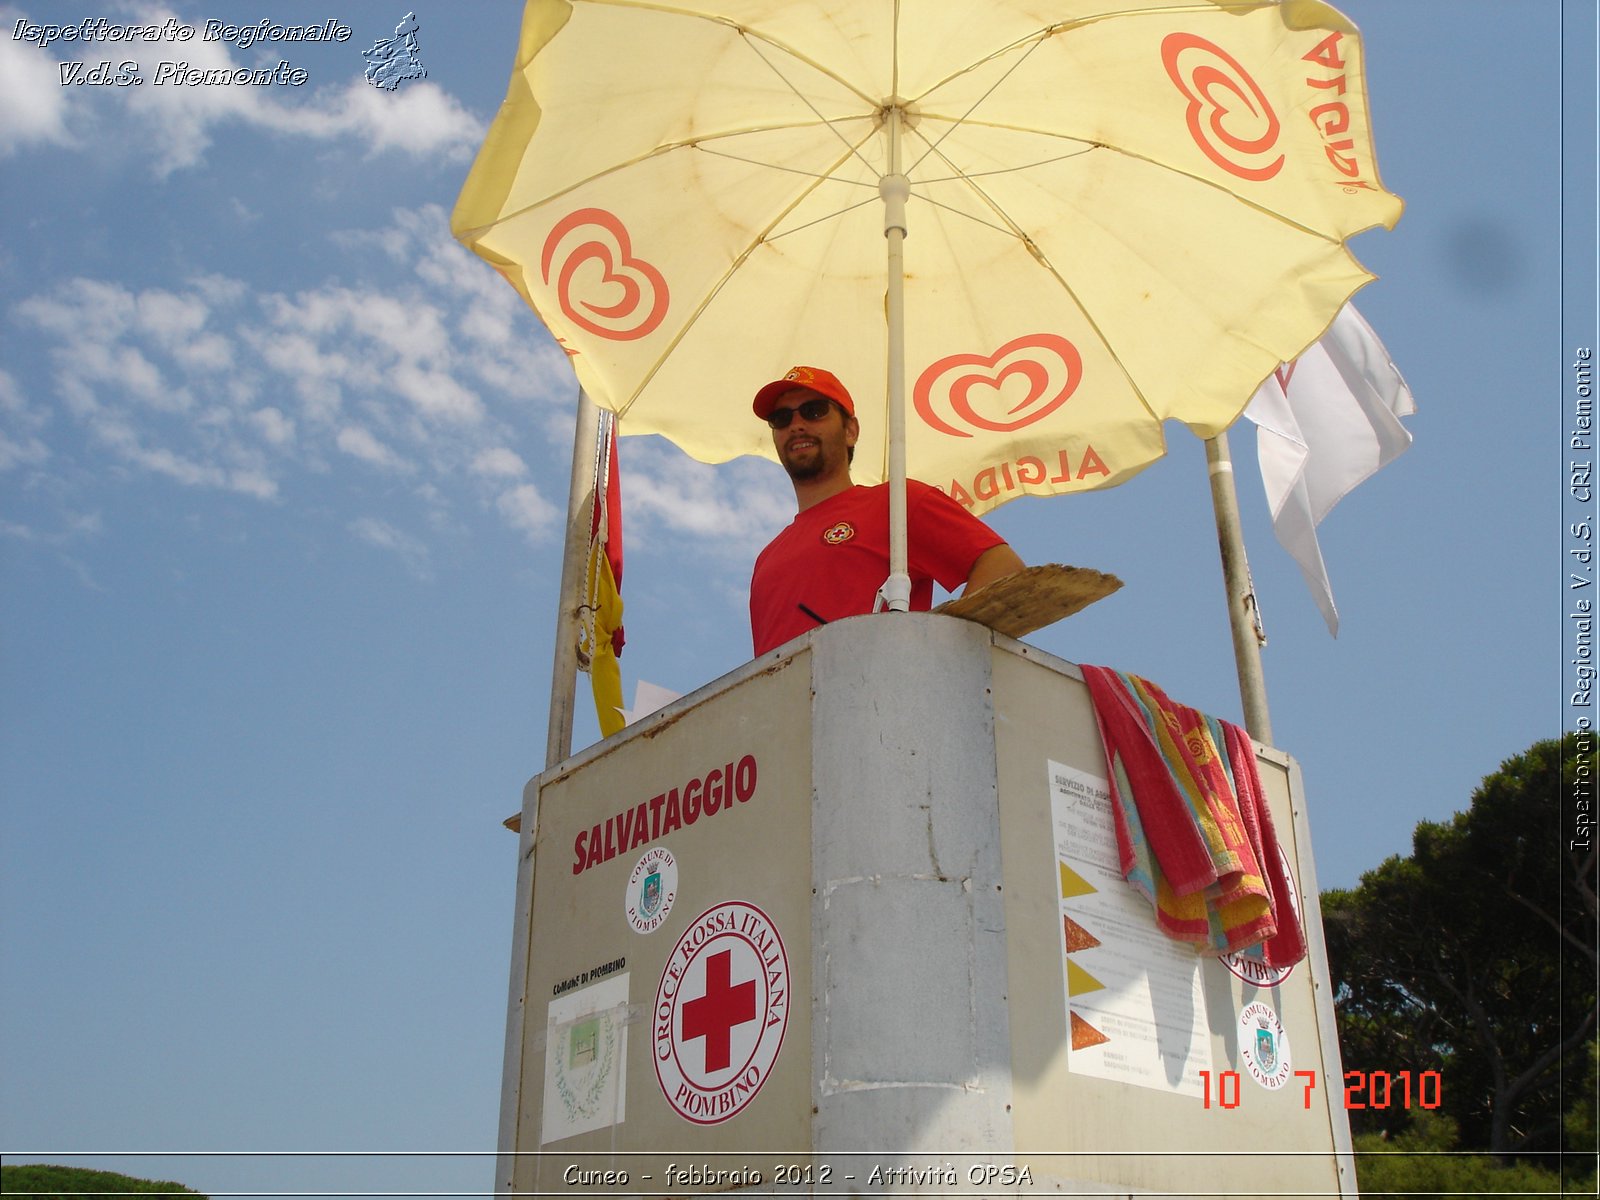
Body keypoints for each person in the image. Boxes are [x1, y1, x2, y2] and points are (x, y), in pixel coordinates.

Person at [749, 365, 1025, 656]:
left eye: (814, 410)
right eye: (780, 419)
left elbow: (1004, 570)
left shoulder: (898, 503)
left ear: (850, 431)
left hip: (883, 697)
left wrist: (934, 660)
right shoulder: (766, 558)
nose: (796, 424)